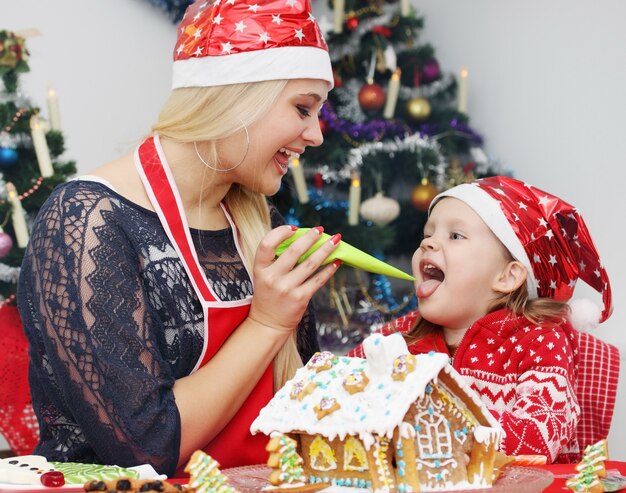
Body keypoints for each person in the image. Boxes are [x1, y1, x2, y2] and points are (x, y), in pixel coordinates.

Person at [17, 0, 339, 477]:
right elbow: (145, 446)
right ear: (237, 97)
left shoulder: (256, 220)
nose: (315, 135)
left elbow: (303, 399)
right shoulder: (85, 221)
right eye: (302, 108)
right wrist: (267, 324)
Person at [348, 175, 613, 464]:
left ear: (507, 276)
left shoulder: (539, 340)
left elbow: (538, 439)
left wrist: (433, 417)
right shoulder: (400, 337)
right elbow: (334, 391)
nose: (429, 244)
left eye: (455, 236)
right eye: (427, 235)